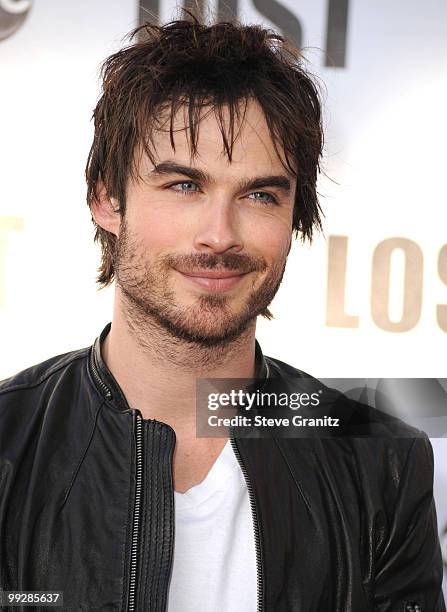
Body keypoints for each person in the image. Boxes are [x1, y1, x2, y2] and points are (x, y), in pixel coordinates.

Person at [0, 14, 445, 612]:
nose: (219, 235)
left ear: (295, 218)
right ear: (107, 198)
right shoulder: (8, 444)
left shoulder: (381, 465)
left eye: (260, 195)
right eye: (184, 185)